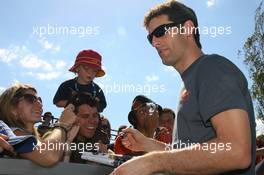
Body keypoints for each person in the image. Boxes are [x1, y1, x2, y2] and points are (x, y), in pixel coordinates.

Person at [111, 1, 256, 175]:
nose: (155, 43)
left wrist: (152, 162)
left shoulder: (212, 68)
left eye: (160, 32)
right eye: (150, 38)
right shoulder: (188, 84)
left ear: (187, 28)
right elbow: (187, 154)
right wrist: (148, 144)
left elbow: (236, 151)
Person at [0, 83, 77, 167]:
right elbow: (49, 157)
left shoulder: (37, 140)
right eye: (30, 99)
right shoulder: (8, 133)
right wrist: (61, 125)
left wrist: (68, 140)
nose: (40, 104)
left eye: (39, 100)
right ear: (12, 109)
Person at [62, 93, 109, 163]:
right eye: (85, 116)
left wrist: (104, 158)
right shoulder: (57, 140)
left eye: (95, 116)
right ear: (72, 118)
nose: (92, 121)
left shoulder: (101, 140)